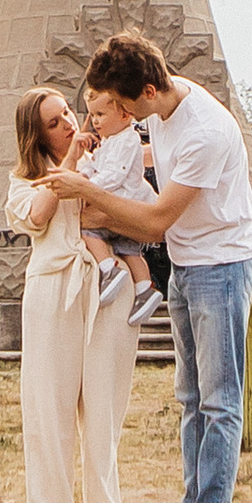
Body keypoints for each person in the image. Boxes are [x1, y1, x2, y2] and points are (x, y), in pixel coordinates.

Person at [42, 29, 252, 503]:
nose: (112, 112)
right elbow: (139, 165)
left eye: (118, 104)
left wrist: (89, 192)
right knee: (189, 397)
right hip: (189, 263)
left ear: (144, 90)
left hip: (223, 263)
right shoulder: (163, 108)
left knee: (220, 398)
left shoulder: (204, 131)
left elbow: (158, 222)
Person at [3, 86, 139, 503]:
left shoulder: (109, 158)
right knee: (50, 409)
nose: (68, 124)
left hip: (107, 289)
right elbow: (39, 218)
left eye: (67, 113)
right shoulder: (27, 182)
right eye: (55, 122)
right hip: (54, 290)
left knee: (104, 409)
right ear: (37, 135)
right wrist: (72, 167)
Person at [74, 87, 166, 326]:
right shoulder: (109, 142)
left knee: (89, 231)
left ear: (124, 115)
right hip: (121, 204)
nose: (95, 121)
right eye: (92, 115)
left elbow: (115, 175)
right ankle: (144, 288)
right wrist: (82, 174)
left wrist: (87, 188)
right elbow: (95, 164)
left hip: (124, 203)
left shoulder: (127, 140)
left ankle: (109, 269)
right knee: (128, 248)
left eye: (101, 114)